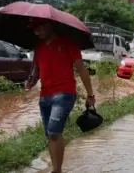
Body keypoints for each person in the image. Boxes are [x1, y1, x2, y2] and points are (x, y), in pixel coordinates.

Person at [25, 18, 95, 173]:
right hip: (44, 96)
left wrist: (90, 94)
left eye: (41, 28)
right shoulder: (39, 48)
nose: (38, 32)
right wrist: (30, 82)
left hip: (64, 93)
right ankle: (57, 168)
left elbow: (82, 69)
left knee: (54, 132)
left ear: (50, 25)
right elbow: (36, 73)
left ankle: (56, 169)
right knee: (50, 135)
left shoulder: (68, 43)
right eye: (36, 30)